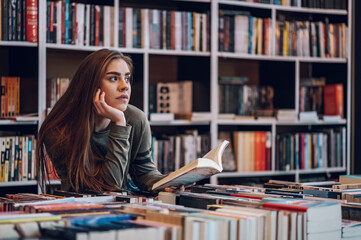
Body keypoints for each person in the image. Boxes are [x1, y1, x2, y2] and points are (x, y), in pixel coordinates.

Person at [36, 48, 165, 193]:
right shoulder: (58, 130)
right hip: (83, 208)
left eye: (127, 78)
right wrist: (119, 125)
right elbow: (108, 187)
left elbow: (144, 173)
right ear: (91, 85)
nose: (125, 86)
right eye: (113, 78)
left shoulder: (136, 119)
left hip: (128, 204)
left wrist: (168, 183)